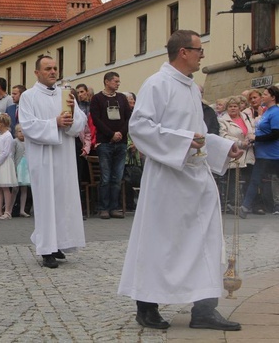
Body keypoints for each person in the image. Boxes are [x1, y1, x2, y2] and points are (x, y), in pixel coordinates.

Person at [118, 30, 242, 332]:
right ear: (183, 52)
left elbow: (197, 132)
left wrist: (224, 147)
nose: (202, 55)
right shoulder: (157, 84)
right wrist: (186, 142)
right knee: (161, 242)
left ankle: (204, 309)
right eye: (199, 50)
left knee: (206, 242)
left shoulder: (189, 88)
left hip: (196, 179)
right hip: (168, 181)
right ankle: (146, 306)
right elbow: (141, 128)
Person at [19, 56, 87, 268]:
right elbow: (28, 126)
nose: (52, 72)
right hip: (43, 157)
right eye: (48, 68)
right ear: (37, 73)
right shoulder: (28, 97)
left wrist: (71, 120)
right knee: (46, 201)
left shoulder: (66, 95)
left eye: (55, 68)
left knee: (62, 200)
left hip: (64, 155)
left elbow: (81, 122)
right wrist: (54, 123)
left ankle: (57, 243)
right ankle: (46, 250)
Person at [90, 71, 132, 219]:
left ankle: (115, 207)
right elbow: (96, 119)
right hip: (105, 142)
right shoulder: (97, 99)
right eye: (115, 81)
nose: (118, 83)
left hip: (120, 143)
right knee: (106, 177)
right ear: (107, 82)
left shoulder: (121, 98)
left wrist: (120, 133)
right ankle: (103, 207)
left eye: (118, 81)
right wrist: (111, 134)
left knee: (117, 177)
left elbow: (129, 117)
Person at [239, 86, 279, 218]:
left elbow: (276, 134)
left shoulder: (275, 112)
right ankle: (245, 207)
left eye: (266, 94)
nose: (263, 96)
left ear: (273, 97)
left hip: (273, 154)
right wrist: (253, 139)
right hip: (262, 153)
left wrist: (256, 138)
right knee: (255, 180)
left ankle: (245, 206)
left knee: (261, 180)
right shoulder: (266, 112)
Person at [218, 96, 254, 214]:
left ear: (239, 108)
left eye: (235, 106)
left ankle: (246, 204)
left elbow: (251, 129)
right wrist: (239, 142)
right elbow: (223, 136)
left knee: (247, 178)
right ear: (226, 108)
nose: (233, 109)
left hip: (248, 152)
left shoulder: (245, 117)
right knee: (233, 178)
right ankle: (232, 204)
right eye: (230, 106)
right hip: (234, 151)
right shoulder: (223, 120)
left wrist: (250, 138)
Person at [0, 113, 17, 219]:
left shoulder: (8, 136)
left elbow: (6, 152)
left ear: (2, 124)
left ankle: (7, 211)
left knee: (5, 187)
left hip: (4, 163)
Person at [12, 125, 31, 217]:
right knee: (15, 189)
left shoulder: (28, 142)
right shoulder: (15, 142)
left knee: (24, 189)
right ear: (15, 133)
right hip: (17, 167)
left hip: (26, 169)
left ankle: (22, 210)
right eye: (19, 131)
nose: (22, 133)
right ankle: (10, 208)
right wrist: (13, 168)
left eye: (23, 131)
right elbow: (12, 155)